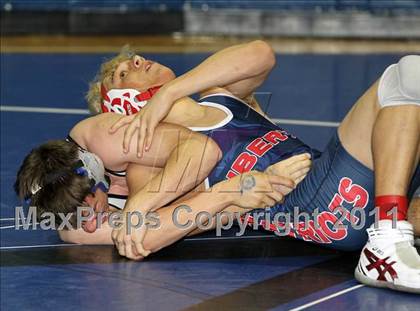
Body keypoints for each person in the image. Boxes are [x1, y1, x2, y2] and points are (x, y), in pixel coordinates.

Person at [88, 41, 420, 293]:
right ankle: (386, 245)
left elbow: (261, 53)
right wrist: (227, 193)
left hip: (339, 180)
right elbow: (144, 233)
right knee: (404, 76)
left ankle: (392, 229)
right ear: (119, 105)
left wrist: (169, 92)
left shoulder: (220, 95)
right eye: (122, 73)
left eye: (132, 59)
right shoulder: (152, 153)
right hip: (311, 207)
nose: (136, 60)